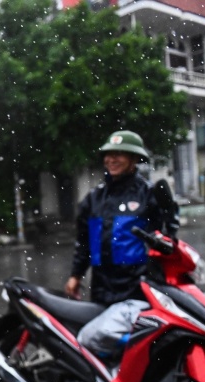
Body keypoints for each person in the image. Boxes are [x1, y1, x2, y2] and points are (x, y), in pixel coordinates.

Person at [64, 130, 180, 359]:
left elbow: (167, 237)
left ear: (134, 159)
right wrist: (76, 275)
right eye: (108, 154)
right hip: (101, 292)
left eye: (119, 154)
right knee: (100, 351)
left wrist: (169, 213)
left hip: (135, 291)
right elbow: (84, 243)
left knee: (135, 349)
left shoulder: (147, 194)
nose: (111, 159)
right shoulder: (94, 198)